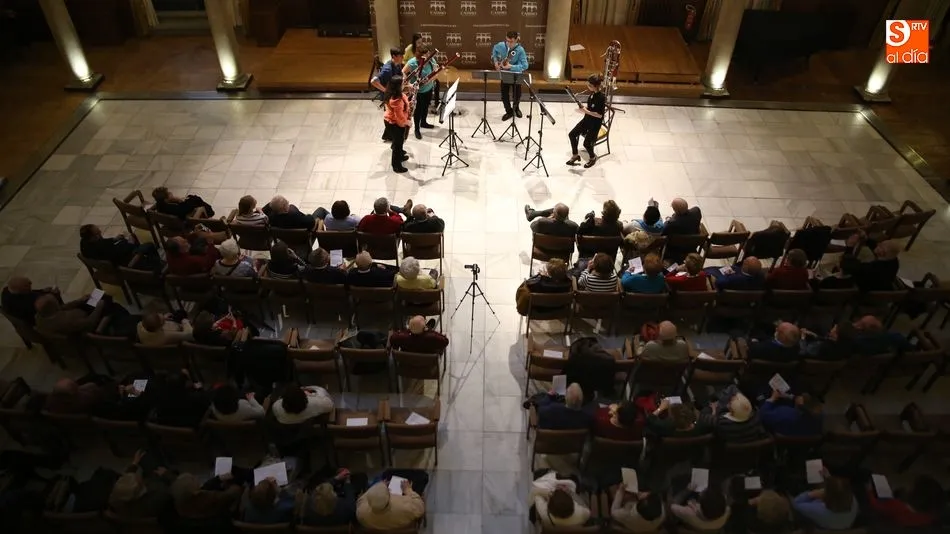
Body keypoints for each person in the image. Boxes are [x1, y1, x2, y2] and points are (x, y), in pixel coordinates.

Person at [108, 449, 175, 519]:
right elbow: (177, 486)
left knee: (146, 457)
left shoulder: (118, 504)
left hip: (150, 485)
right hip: (159, 481)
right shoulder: (159, 496)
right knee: (152, 461)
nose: (137, 475)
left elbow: (127, 483)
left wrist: (134, 464)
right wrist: (167, 474)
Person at [867, 475, 943, 527]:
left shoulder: (896, 506)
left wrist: (869, 490)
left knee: (874, 479)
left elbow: (875, 505)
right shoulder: (931, 516)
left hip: (885, 513)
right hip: (904, 518)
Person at [566, 74, 607, 168]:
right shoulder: (592, 94)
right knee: (572, 134)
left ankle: (592, 158)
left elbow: (599, 114)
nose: (588, 87)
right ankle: (575, 155)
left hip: (595, 124)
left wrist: (586, 111)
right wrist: (583, 109)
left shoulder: (601, 98)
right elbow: (590, 108)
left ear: (596, 86)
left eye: (590, 85)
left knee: (587, 143)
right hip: (587, 120)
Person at [356, 476, 426, 530]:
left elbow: (362, 499)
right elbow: (420, 506)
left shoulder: (361, 513)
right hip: (400, 527)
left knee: (378, 477)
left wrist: (380, 486)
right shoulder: (407, 508)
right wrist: (408, 490)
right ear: (389, 495)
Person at [792, 475, 858, 530]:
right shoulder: (852, 500)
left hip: (822, 524)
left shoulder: (819, 511)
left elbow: (795, 503)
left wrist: (813, 493)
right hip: (842, 524)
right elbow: (839, 491)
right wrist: (829, 478)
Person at [170, 472, 243, 521]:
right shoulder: (208, 499)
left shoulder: (180, 502)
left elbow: (203, 488)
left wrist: (217, 479)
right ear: (195, 492)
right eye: (193, 479)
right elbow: (231, 494)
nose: (196, 477)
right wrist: (233, 486)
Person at [402, 43, 438, 140]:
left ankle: (424, 122)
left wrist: (430, 80)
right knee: (418, 111)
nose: (428, 56)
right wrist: (409, 84)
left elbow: (435, 73)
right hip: (418, 91)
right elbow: (403, 73)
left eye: (428, 54)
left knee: (425, 107)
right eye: (425, 55)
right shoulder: (412, 63)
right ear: (420, 56)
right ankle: (417, 129)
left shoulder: (431, 60)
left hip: (428, 89)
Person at [370, 47, 405, 142]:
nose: (402, 57)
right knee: (391, 117)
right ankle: (391, 136)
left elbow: (400, 74)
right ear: (394, 56)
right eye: (400, 56)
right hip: (389, 96)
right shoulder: (387, 69)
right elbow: (373, 81)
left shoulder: (397, 64)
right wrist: (386, 91)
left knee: (393, 116)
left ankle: (387, 135)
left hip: (394, 94)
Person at [492, 30, 528, 120]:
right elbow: (494, 50)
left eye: (511, 41)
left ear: (516, 40)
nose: (508, 43)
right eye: (507, 40)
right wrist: (496, 62)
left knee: (517, 95)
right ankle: (509, 111)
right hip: (505, 74)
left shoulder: (520, 50)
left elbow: (525, 66)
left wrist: (511, 66)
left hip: (516, 75)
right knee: (504, 95)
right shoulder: (501, 45)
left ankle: (516, 108)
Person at [34, 293, 108, 336]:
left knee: (97, 294)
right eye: (56, 301)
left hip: (79, 313)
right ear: (54, 307)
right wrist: (99, 306)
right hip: (87, 321)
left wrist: (79, 300)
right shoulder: (68, 322)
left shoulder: (39, 317)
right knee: (107, 302)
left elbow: (62, 308)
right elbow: (90, 323)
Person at [382, 76, 411, 172]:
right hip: (394, 123)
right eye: (403, 84)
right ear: (398, 86)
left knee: (399, 140)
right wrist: (407, 122)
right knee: (398, 145)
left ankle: (400, 156)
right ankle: (396, 166)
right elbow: (399, 118)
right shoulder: (396, 101)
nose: (404, 85)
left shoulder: (392, 92)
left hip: (393, 121)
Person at [44, 377, 113, 415]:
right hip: (95, 408)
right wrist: (89, 386)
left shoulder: (50, 400)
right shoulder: (84, 399)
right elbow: (98, 395)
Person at [646, 398, 712, 437]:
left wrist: (661, 408)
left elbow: (649, 419)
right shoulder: (701, 427)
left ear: (672, 420)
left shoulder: (665, 428)